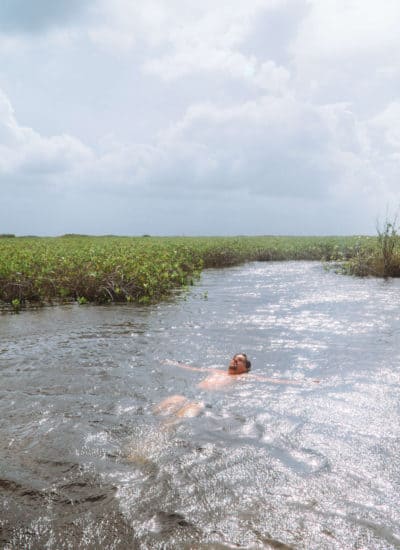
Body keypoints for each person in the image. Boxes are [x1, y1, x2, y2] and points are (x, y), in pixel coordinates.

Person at [155, 353, 302, 419]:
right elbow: (193, 369)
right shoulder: (216, 370)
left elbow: (271, 381)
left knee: (173, 420)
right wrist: (171, 363)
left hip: (204, 402)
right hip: (188, 394)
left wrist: (303, 383)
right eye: (234, 359)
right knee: (159, 409)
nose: (234, 361)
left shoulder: (243, 376)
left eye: (239, 360)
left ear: (245, 368)